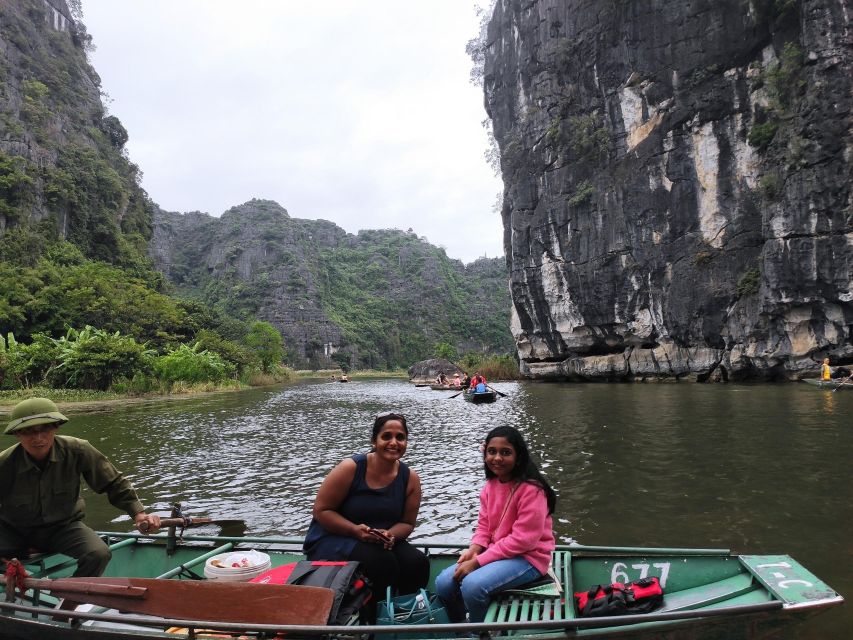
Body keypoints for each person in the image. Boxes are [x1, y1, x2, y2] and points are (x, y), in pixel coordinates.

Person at [0, 397, 161, 577]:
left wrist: (138, 513)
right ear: (17, 434)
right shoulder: (4, 463)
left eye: (45, 429)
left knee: (98, 554)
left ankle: (68, 600)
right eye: (29, 431)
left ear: (56, 427)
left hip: (62, 528)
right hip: (15, 531)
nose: (38, 438)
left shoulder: (78, 450)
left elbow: (113, 482)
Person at [303, 411, 429, 608]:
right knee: (382, 563)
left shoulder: (410, 478)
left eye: (400, 437)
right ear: (374, 440)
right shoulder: (351, 468)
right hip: (337, 536)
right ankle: (373, 620)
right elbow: (321, 511)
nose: (394, 442)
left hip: (380, 540)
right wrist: (355, 531)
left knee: (417, 562)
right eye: (386, 436)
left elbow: (407, 523)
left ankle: (405, 613)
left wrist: (390, 534)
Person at [435, 426, 557, 624]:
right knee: (443, 583)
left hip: (529, 558)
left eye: (505, 452)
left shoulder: (532, 490)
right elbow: (484, 525)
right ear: (485, 454)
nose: (497, 458)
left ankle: (481, 632)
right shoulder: (490, 485)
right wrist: (474, 549)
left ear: (518, 457)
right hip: (497, 552)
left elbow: (523, 541)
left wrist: (477, 561)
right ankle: (459, 628)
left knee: (473, 586)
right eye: (492, 452)